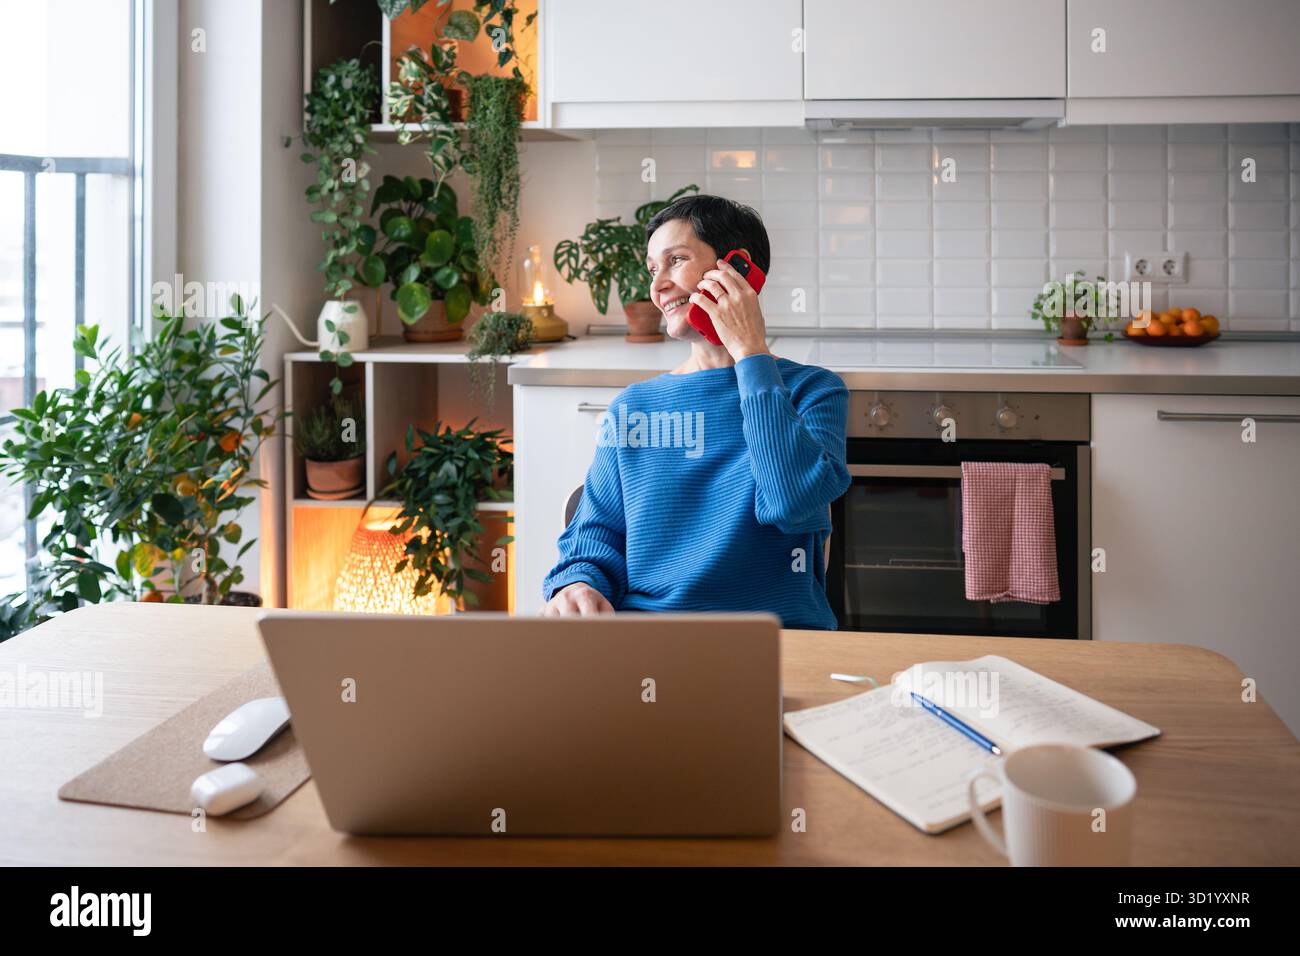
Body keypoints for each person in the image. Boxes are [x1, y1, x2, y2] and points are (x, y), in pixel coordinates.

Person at [538, 194, 850, 629]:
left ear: (738, 269)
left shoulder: (812, 391)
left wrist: (751, 355)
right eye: (652, 268)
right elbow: (596, 535)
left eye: (675, 260)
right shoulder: (635, 406)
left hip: (777, 640)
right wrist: (577, 585)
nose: (657, 285)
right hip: (653, 640)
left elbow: (790, 503)